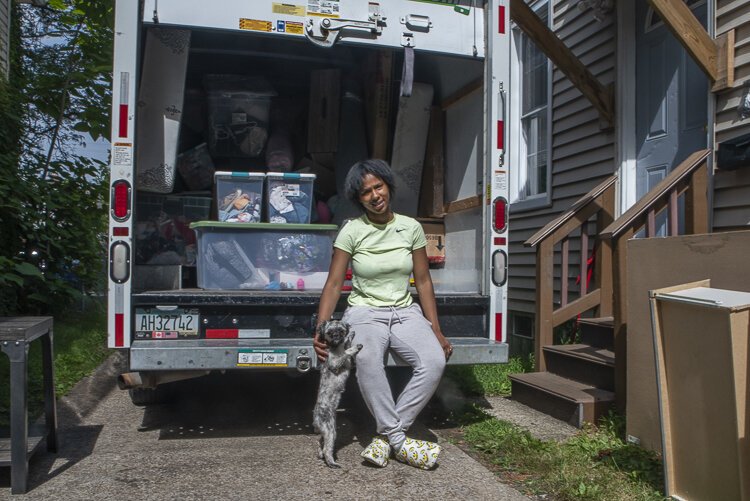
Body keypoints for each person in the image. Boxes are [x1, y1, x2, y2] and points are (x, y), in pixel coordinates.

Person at [313, 159, 453, 470]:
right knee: (365, 359)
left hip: (405, 311)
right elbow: (334, 283)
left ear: (388, 186)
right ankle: (399, 440)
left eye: (379, 186)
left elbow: (424, 280)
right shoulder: (352, 231)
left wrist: (436, 329)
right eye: (366, 192)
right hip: (364, 312)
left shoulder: (411, 227)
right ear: (358, 199)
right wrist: (322, 328)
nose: (375, 195)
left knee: (434, 361)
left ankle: (387, 437)